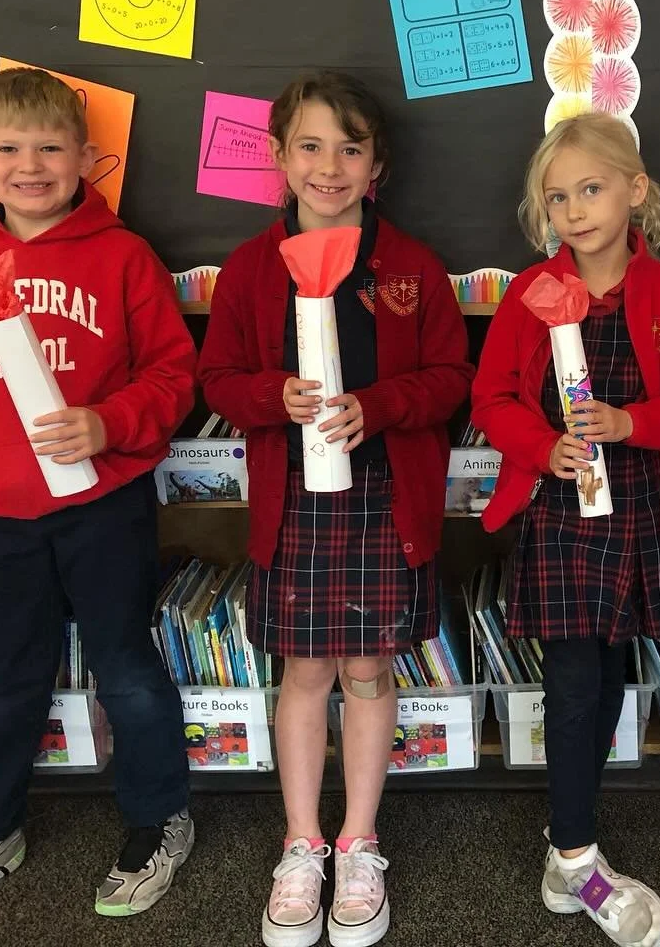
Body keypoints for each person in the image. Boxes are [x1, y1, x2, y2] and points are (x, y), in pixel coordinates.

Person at [0, 67, 196, 930]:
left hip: (105, 505)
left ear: (87, 159)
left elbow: (173, 375)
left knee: (125, 665)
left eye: (51, 148)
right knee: (10, 677)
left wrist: (108, 423)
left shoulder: (123, 257)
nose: (31, 166)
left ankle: (158, 818)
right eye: (10, 149)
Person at [198, 71, 472, 947]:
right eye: (310, 147)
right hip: (296, 503)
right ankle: (301, 842)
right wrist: (269, 395)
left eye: (349, 149)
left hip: (385, 499)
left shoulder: (411, 267)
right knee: (306, 672)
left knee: (367, 670)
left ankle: (358, 841)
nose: (329, 167)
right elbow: (216, 378)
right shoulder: (250, 268)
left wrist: (379, 405)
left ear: (376, 165)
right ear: (280, 158)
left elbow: (451, 378)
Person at [472, 113, 660, 947]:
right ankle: (575, 854)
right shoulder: (529, 294)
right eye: (557, 198)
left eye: (592, 189)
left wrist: (630, 422)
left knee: (608, 678)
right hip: (562, 509)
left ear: (636, 191)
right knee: (574, 683)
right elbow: (491, 398)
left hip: (636, 503)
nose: (574, 210)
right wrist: (545, 448)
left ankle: (566, 837)